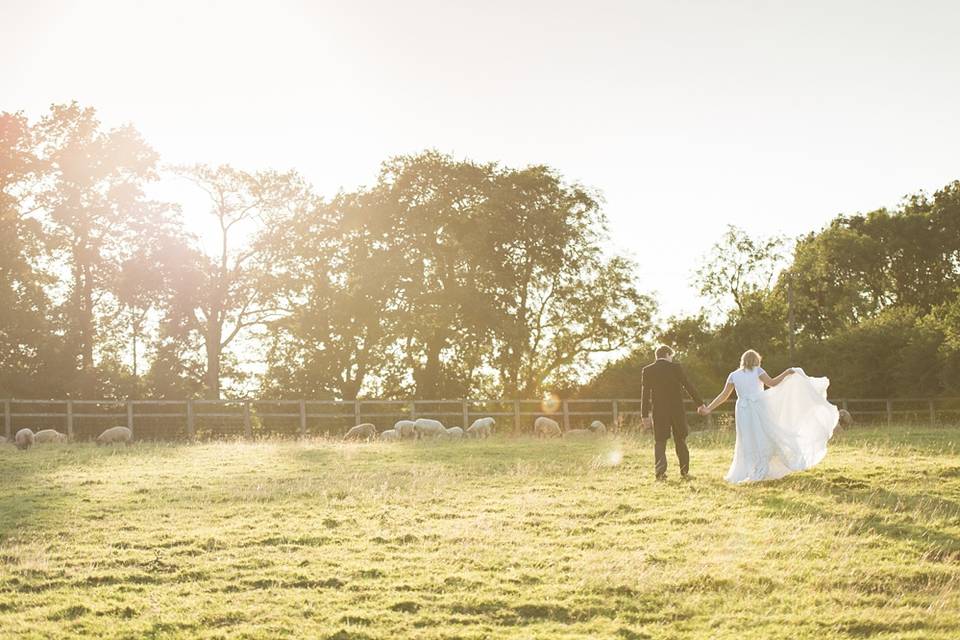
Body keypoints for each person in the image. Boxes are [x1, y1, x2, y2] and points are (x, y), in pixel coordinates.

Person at [699, 349, 839, 483]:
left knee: (747, 438)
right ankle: (763, 465)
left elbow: (723, 396)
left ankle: (751, 468)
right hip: (758, 407)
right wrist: (787, 372)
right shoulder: (758, 371)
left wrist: (709, 408)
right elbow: (772, 383)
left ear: (742, 360)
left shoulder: (733, 375)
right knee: (764, 434)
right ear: (756, 360)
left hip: (743, 409)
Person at [640, 345, 706, 480]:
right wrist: (700, 403)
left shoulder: (648, 370)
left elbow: (645, 394)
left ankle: (660, 473)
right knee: (680, 440)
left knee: (660, 441)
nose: (672, 359)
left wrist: (644, 415)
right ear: (667, 354)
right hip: (677, 411)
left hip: (659, 411)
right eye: (671, 356)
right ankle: (685, 472)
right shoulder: (676, 368)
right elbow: (688, 385)